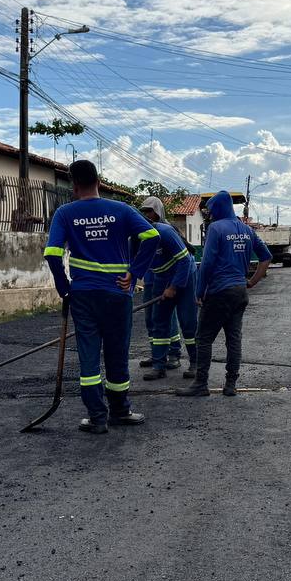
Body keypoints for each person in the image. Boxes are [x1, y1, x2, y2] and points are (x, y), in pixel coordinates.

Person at [44, 160, 183, 434]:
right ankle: (120, 410)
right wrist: (135, 272)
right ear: (98, 180)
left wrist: (64, 288)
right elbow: (152, 236)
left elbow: (52, 254)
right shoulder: (120, 209)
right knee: (117, 352)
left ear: (74, 185)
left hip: (83, 295)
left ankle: (97, 417)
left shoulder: (65, 213)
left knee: (88, 355)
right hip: (119, 292)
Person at [177, 190, 272, 398]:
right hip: (239, 292)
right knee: (234, 339)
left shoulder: (216, 228)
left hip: (218, 292)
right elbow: (266, 257)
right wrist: (252, 282)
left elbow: (208, 263)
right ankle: (230, 385)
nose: (209, 215)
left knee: (203, 338)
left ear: (218, 208)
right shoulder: (247, 230)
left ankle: (201, 384)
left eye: (210, 210)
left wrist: (199, 291)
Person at [139, 196, 198, 381]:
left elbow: (185, 261)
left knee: (188, 322)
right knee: (159, 321)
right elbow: (132, 267)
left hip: (185, 276)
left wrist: (173, 287)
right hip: (161, 278)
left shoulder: (165, 232)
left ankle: (196, 363)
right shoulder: (135, 239)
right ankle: (159, 366)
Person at [137, 197, 182, 370]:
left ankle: (174, 354)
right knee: (150, 320)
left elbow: (180, 259)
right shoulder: (143, 233)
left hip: (165, 282)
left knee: (168, 319)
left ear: (158, 211)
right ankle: (157, 353)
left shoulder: (168, 231)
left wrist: (173, 285)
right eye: (145, 211)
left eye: (150, 211)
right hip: (149, 281)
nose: (147, 214)